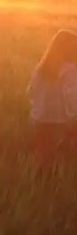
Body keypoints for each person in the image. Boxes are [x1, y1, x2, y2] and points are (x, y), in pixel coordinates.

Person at [27, 29, 77, 166]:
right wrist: (73, 119)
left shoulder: (41, 68)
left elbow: (31, 92)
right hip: (60, 122)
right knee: (64, 161)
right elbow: (73, 98)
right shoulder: (69, 69)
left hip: (40, 120)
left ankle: (41, 179)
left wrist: (39, 110)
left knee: (43, 160)